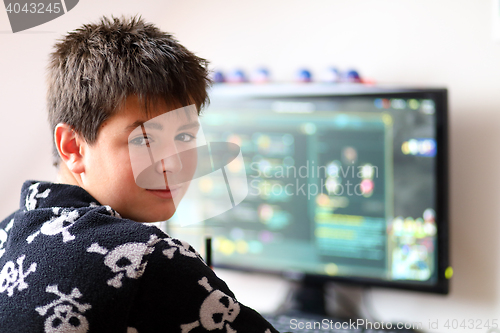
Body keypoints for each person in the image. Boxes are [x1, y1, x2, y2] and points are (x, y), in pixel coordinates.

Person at [0, 16, 278, 333]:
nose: (172, 164)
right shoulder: (149, 258)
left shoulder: (9, 231)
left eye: (185, 137)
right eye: (145, 140)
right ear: (73, 147)